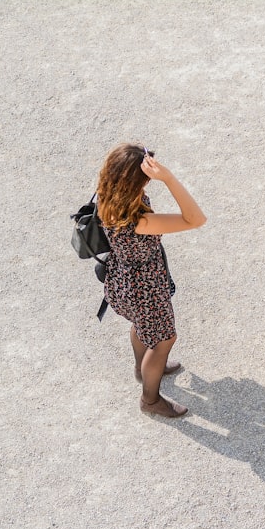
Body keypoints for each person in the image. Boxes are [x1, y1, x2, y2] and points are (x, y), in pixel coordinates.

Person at [96, 143, 207, 417]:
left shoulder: (107, 195)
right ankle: (150, 400)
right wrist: (167, 178)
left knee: (143, 328)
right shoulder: (139, 221)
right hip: (144, 288)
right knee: (164, 340)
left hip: (122, 280)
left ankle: (142, 368)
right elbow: (195, 219)